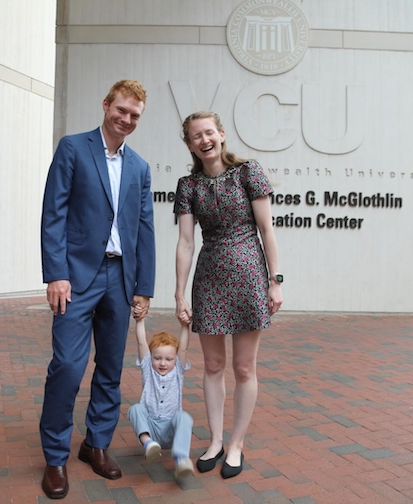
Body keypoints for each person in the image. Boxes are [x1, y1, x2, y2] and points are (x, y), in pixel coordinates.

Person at [39, 79, 156, 499]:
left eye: (135, 115)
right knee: (68, 366)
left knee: (110, 369)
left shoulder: (140, 167)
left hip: (121, 280)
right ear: (106, 105)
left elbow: (144, 229)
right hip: (75, 278)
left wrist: (144, 286)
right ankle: (55, 457)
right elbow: (54, 213)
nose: (126, 119)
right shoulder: (73, 148)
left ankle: (96, 444)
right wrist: (55, 273)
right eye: (121, 110)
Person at [173, 111, 283, 479]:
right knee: (214, 366)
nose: (204, 140)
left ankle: (236, 444)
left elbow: (267, 230)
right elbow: (186, 242)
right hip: (209, 279)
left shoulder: (249, 172)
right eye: (195, 136)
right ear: (189, 144)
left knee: (243, 367)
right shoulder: (188, 186)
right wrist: (179, 292)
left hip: (250, 275)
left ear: (221, 134)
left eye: (209, 132)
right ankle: (216, 441)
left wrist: (275, 280)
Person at [127, 317, 194, 480]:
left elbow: (183, 349)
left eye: (168, 359)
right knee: (135, 409)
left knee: (184, 417)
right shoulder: (148, 369)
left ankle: (181, 459)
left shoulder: (178, 370)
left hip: (171, 429)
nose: (163, 363)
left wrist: (185, 326)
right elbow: (142, 342)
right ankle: (148, 444)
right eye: (157, 358)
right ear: (151, 358)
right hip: (151, 427)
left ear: (175, 359)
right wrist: (140, 320)